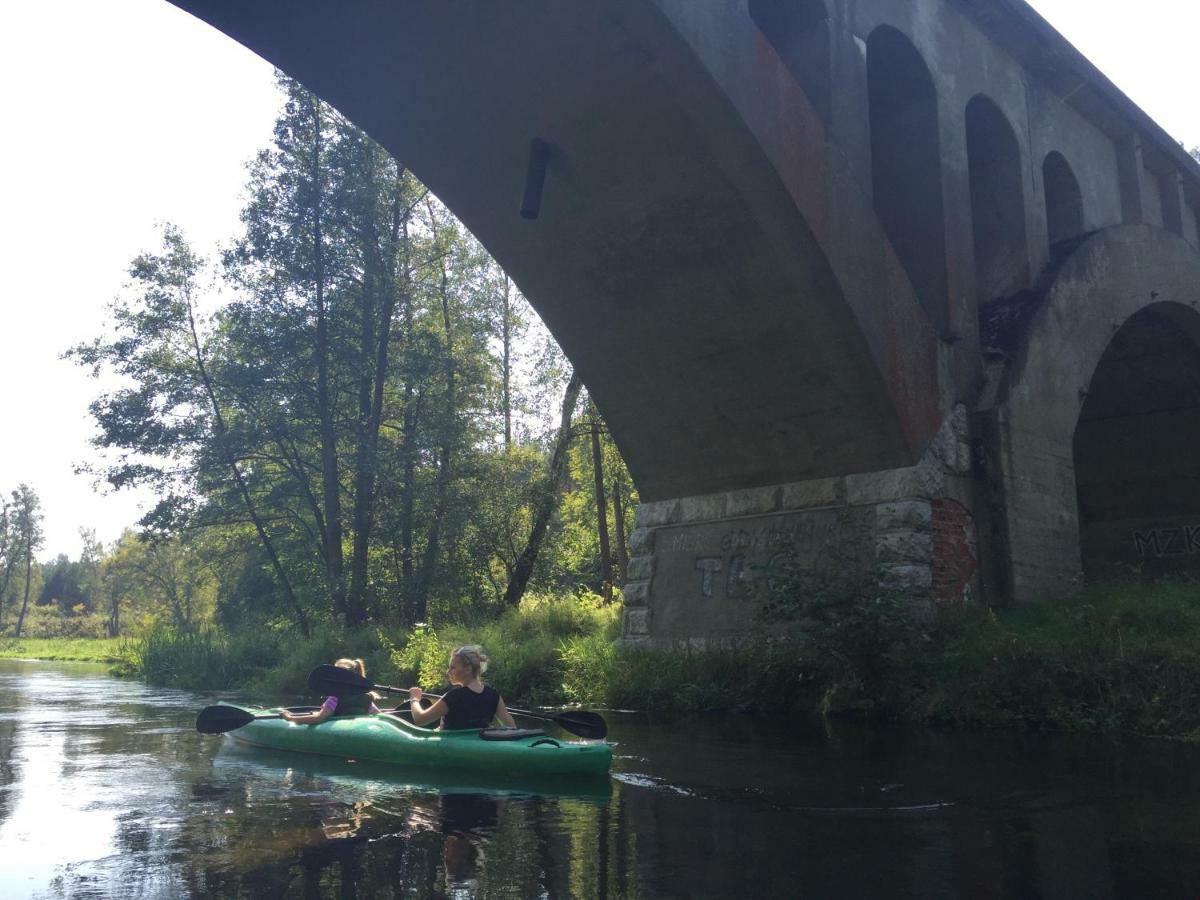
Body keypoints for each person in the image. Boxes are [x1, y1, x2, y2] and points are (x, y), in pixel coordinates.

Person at [408, 645, 517, 730]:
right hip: (479, 749)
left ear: (468, 669)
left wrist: (414, 699)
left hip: (450, 751)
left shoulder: (455, 696)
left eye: (453, 667)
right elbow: (512, 728)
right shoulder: (494, 695)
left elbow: (420, 719)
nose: (448, 671)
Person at [281, 658, 380, 724]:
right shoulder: (366, 697)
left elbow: (318, 719)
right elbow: (378, 715)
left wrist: (290, 718)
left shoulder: (334, 699)